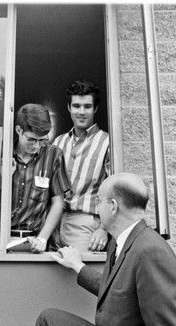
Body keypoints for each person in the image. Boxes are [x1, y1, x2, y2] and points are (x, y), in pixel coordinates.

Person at [35, 172, 176, 326]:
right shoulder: (118, 242)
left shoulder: (152, 252)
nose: (97, 208)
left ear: (113, 206)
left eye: (99, 201)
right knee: (48, 320)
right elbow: (117, 290)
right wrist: (78, 266)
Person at [0, 103, 71, 253]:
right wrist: (2, 178)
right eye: (31, 139)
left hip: (32, 241)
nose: (37, 146)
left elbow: (58, 202)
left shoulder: (53, 155)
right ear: (19, 130)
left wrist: (42, 239)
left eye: (42, 140)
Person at [52, 80, 110, 252]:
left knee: (79, 275)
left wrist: (103, 229)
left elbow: (114, 191)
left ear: (95, 109)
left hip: (84, 224)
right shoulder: (58, 142)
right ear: (69, 108)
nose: (82, 112)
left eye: (87, 106)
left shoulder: (107, 142)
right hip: (53, 223)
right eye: (77, 106)